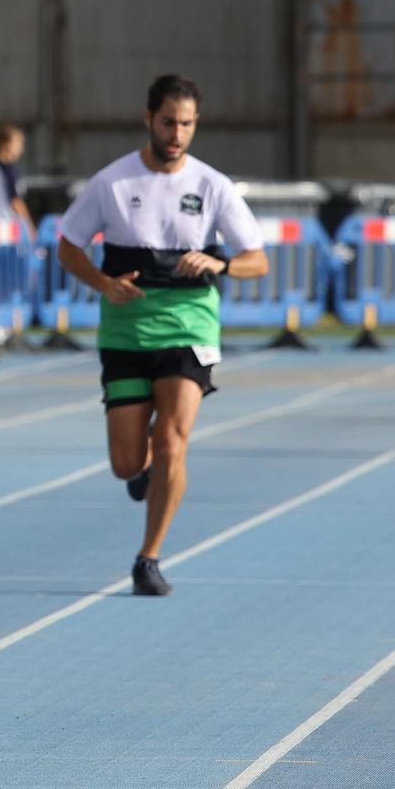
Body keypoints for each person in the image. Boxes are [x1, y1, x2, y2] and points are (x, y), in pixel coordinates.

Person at [54, 75, 268, 597]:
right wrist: (104, 283)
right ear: (148, 118)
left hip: (189, 327)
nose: (177, 133)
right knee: (129, 463)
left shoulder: (213, 185)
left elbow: (257, 259)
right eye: (169, 121)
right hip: (126, 331)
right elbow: (68, 246)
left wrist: (219, 261)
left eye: (187, 124)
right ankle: (146, 473)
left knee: (172, 440)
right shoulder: (112, 183)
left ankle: (148, 558)